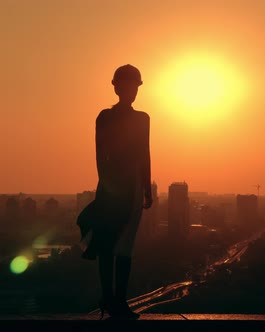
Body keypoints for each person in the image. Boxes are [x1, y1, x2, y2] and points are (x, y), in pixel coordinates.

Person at [77, 64, 153, 320]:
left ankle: (117, 300)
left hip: (129, 188)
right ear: (117, 87)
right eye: (128, 85)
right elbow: (99, 154)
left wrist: (146, 188)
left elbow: (145, 154)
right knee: (108, 244)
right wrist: (107, 186)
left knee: (124, 246)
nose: (132, 90)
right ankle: (110, 298)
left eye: (135, 86)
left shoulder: (142, 118)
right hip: (113, 187)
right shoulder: (105, 117)